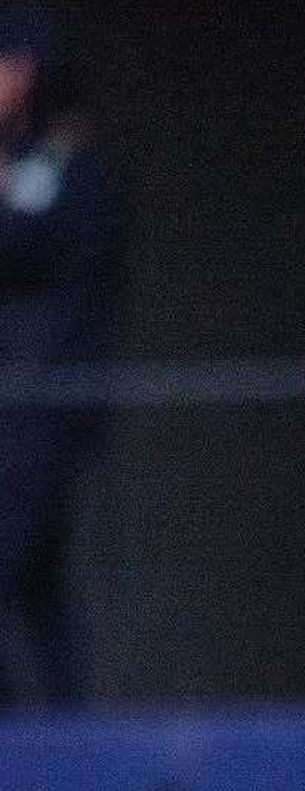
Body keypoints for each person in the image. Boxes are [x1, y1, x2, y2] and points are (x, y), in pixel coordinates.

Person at [0, 2, 116, 706]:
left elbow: (30, 245)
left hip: (47, 403)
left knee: (17, 561)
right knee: (39, 586)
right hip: (14, 402)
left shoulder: (71, 161)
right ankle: (64, 729)